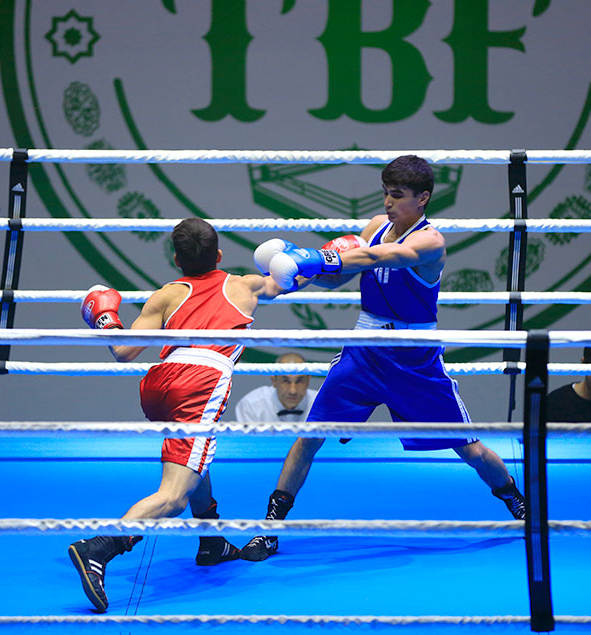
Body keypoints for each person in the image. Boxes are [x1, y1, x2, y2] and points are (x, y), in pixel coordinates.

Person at [238, 154, 527, 562]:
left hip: (414, 358)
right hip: (365, 348)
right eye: (386, 194)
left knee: (469, 448)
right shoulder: (376, 226)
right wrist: (287, 276)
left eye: (398, 195)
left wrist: (315, 256)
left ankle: (516, 501)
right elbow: (339, 275)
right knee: (309, 436)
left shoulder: (431, 241)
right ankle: (269, 528)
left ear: (423, 198)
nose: (389, 203)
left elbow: (379, 258)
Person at [68, 218, 290, 612]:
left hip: (158, 385)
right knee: (172, 494)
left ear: (177, 260)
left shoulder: (167, 293)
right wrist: (315, 258)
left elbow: (123, 351)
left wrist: (105, 318)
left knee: (195, 458)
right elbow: (287, 279)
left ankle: (210, 540)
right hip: (199, 385)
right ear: (218, 255)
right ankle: (100, 548)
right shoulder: (244, 285)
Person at [234, 353, 318, 422]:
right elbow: (248, 442)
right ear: (274, 380)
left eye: (299, 381)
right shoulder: (251, 405)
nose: (293, 391)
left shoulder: (320, 404)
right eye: (286, 381)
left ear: (308, 380)